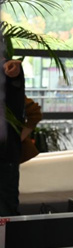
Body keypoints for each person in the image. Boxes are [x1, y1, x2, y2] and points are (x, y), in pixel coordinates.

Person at [1, 59, 26, 216]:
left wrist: (14, 72)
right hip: (8, 157)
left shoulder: (9, 68)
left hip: (5, 158)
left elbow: (13, 73)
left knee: (6, 215)